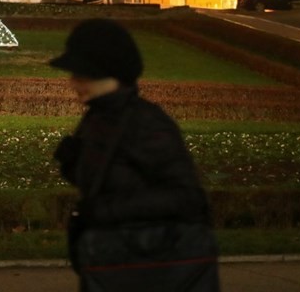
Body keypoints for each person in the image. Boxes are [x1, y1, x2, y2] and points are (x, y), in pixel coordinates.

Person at [50, 18, 220, 292]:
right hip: (112, 266)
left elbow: (187, 198)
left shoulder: (146, 123)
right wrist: (74, 166)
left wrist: (107, 210)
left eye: (82, 74)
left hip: (148, 272)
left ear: (110, 72)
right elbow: (112, 180)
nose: (73, 82)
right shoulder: (98, 117)